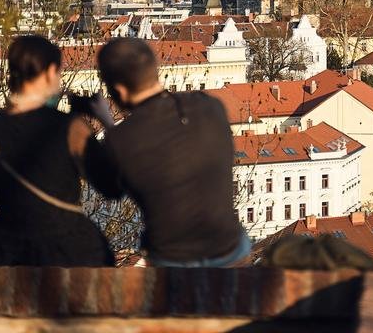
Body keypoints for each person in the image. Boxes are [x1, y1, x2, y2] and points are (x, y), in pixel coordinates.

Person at [83, 37, 249, 267]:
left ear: (118, 89)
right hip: (232, 250)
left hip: (174, 261)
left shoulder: (122, 140)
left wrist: (104, 128)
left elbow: (110, 189)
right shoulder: (211, 106)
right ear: (154, 70)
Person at [0, 34, 113, 267]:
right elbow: (110, 186)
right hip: (68, 249)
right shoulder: (69, 128)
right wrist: (107, 123)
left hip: (11, 248)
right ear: (49, 72)